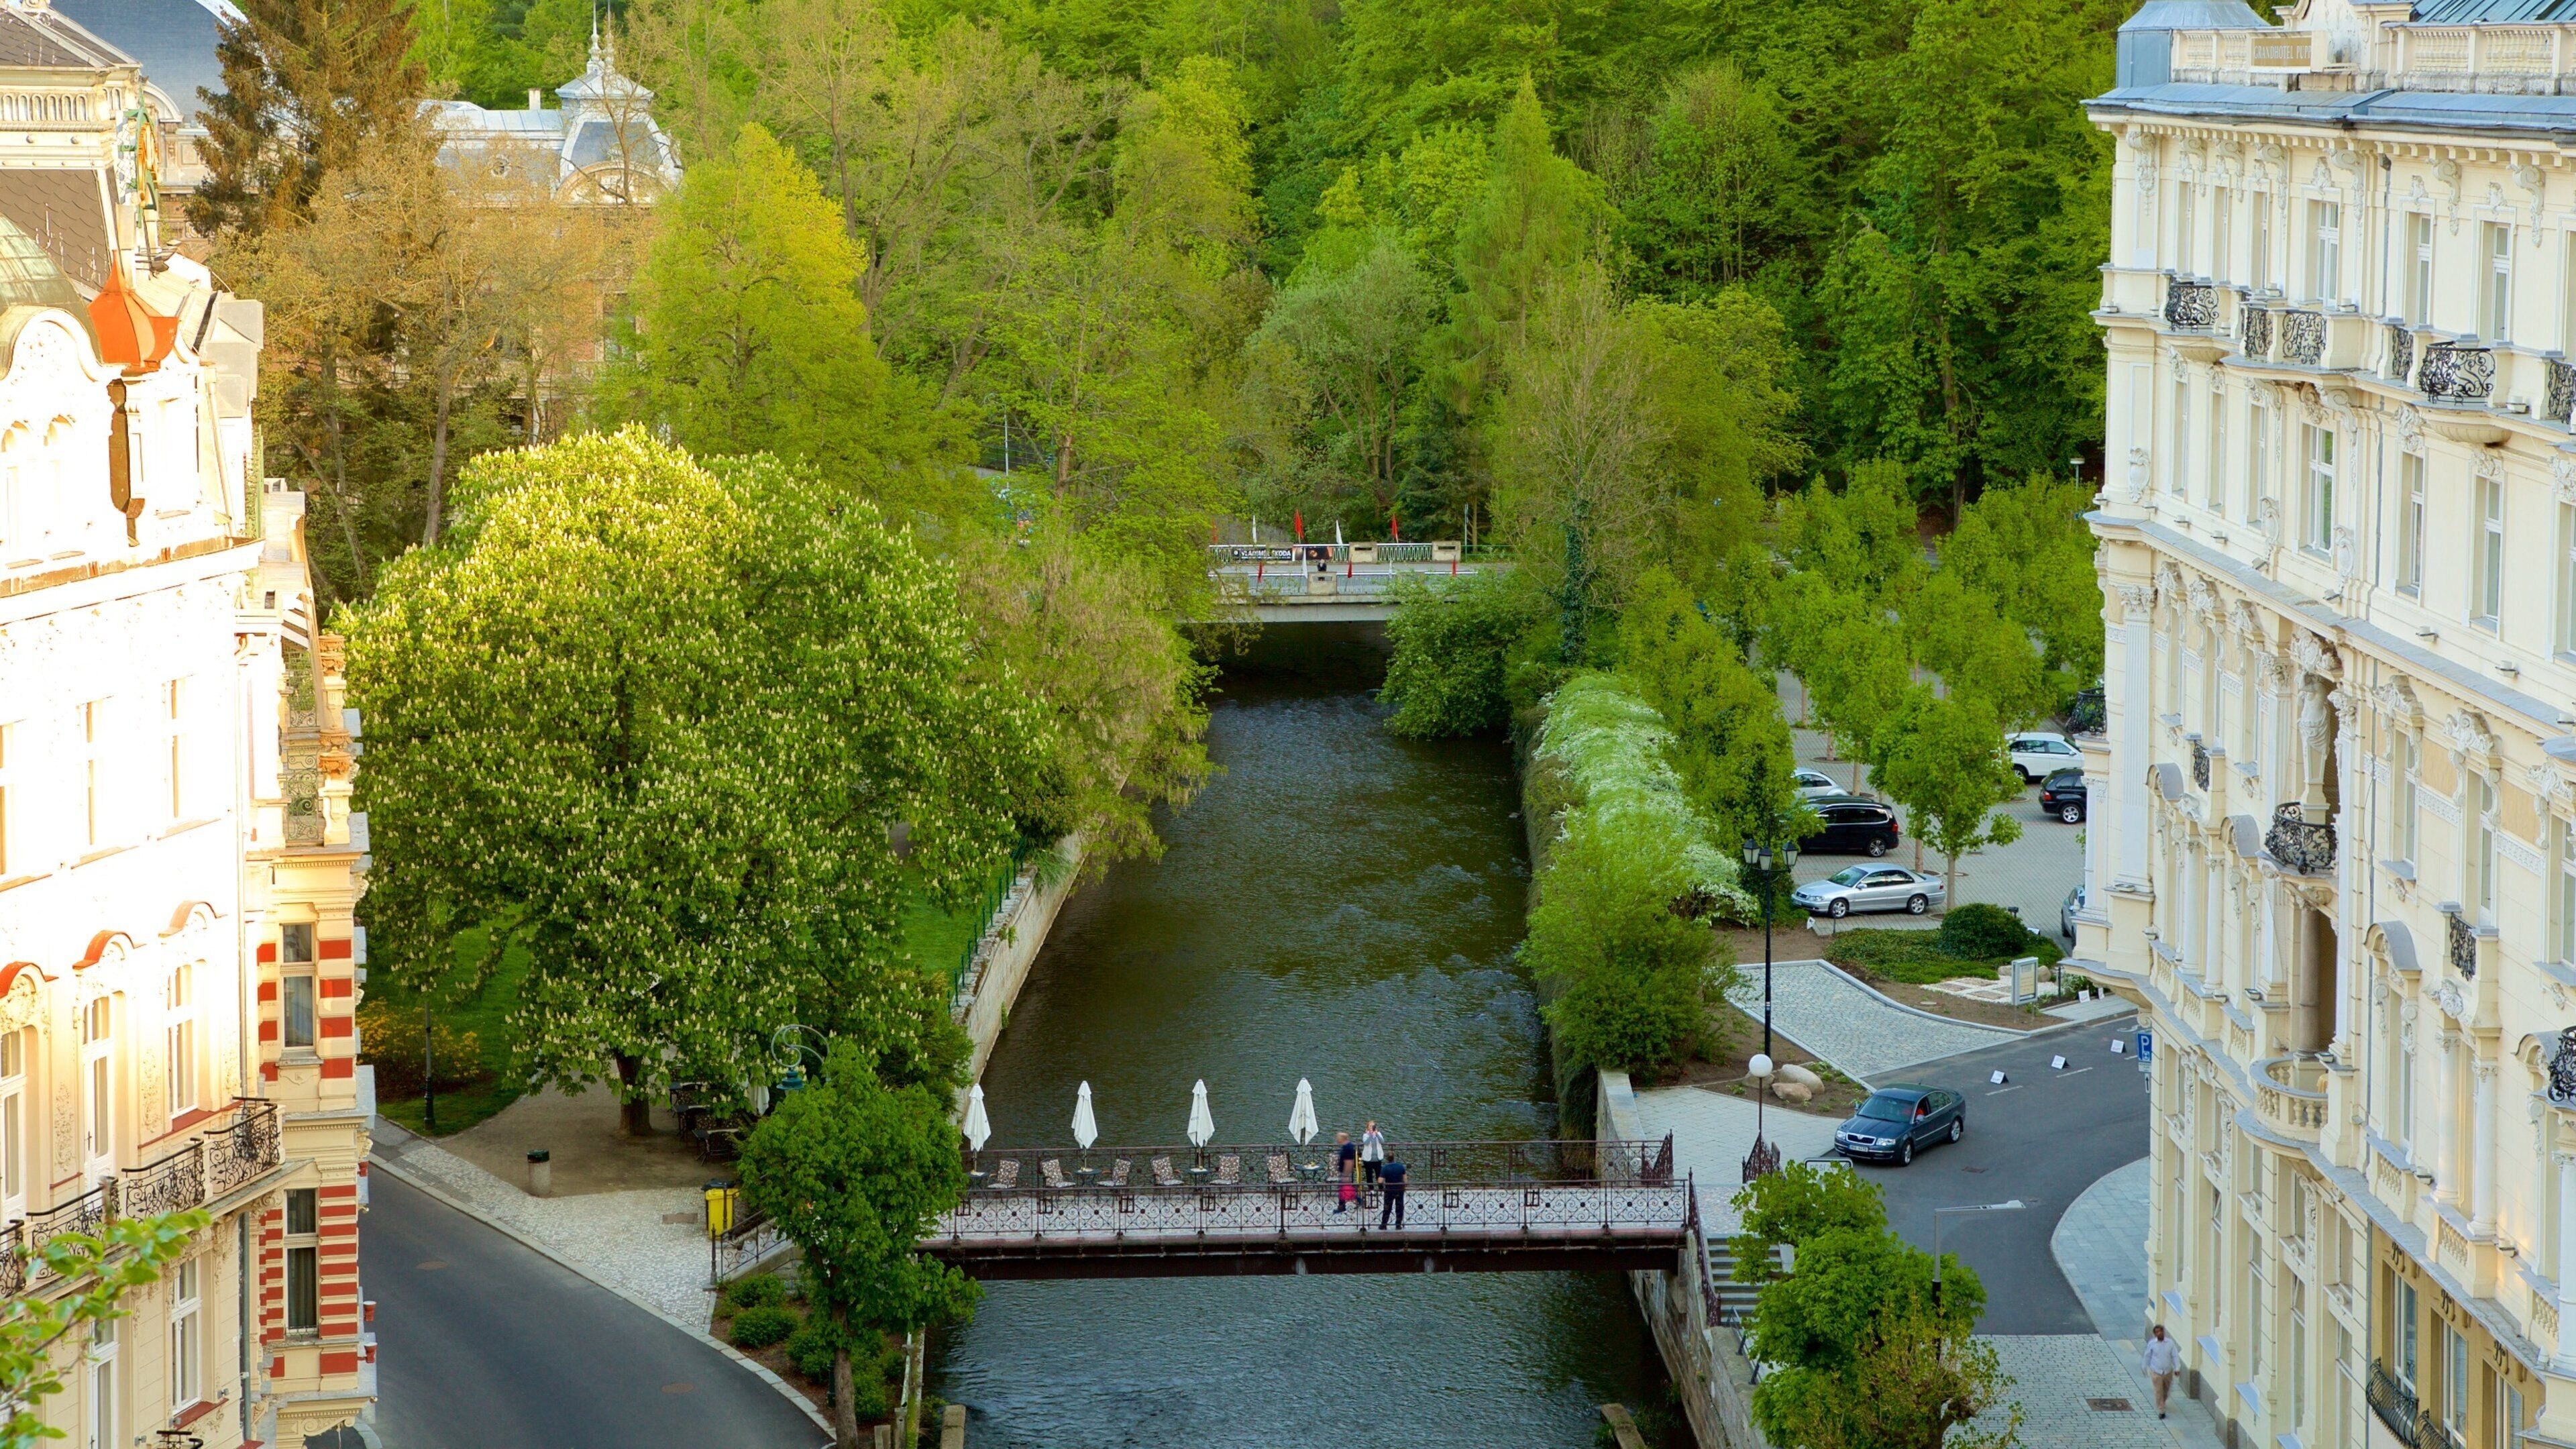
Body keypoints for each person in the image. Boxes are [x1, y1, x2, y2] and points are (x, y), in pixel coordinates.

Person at [2143, 1324, 2182, 1418]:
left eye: (2161, 1331)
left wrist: (2177, 1368)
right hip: (2156, 1371)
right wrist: (2144, 1367)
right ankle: (2161, 1409)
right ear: (2155, 1334)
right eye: (2157, 1332)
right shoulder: (2152, 1344)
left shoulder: (2170, 1343)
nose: (2159, 1333)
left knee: (2166, 1390)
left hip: (2168, 1371)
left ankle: (2163, 1401)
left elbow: (2175, 1356)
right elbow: (2147, 1356)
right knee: (2158, 1390)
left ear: (2163, 1332)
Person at [1377, 1155, 1407, 1230]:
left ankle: (1384, 1224)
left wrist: (1379, 1181)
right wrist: (1404, 1186)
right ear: (1394, 1158)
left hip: (1389, 1190)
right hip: (1399, 1189)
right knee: (1399, 1207)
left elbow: (1380, 1181)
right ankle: (1398, 1225)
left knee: (1387, 1207)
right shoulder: (1401, 1166)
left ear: (1387, 1159)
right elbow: (1405, 1179)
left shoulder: (1385, 1168)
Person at [1333, 1132, 1356, 1214]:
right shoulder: (1346, 1146)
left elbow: (1349, 1162)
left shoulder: (1347, 1148)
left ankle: (1342, 1207)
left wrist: (1346, 1175)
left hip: (1344, 1173)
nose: (1337, 1139)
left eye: (1338, 1137)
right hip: (1343, 1172)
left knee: (1343, 1190)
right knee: (1344, 1189)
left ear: (1342, 1139)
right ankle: (1343, 1206)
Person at [1360, 1120, 1386, 1187]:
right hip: (1368, 1159)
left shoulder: (1379, 1134)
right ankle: (1371, 1189)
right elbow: (1366, 1143)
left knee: (1379, 1175)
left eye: (1373, 1126)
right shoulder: (1365, 1135)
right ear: (1368, 1128)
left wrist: (1376, 1134)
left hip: (1377, 1159)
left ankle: (1381, 1189)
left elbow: (1382, 1141)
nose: (1372, 1127)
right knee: (1369, 1175)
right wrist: (1371, 1135)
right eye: (1370, 1126)